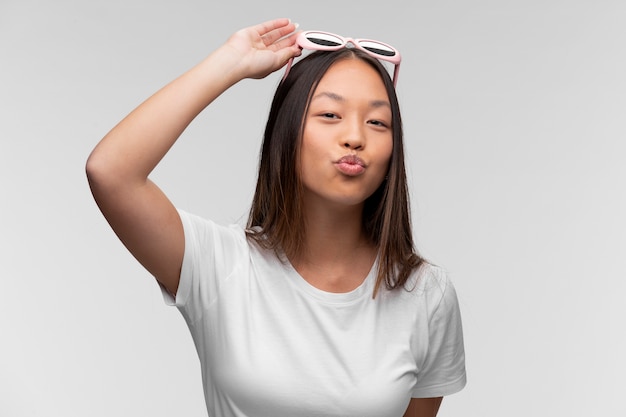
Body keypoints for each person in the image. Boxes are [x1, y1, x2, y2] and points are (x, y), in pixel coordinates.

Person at [86, 18, 466, 417]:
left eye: (377, 122)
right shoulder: (221, 264)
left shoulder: (426, 294)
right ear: (287, 130)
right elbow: (110, 172)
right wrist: (229, 63)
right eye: (330, 115)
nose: (356, 137)